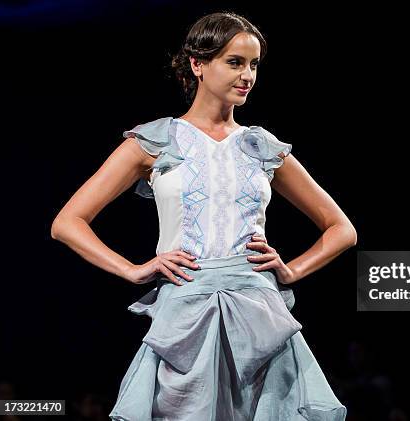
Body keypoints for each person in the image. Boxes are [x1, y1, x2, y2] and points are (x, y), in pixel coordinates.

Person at [51, 11, 356, 421]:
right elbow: (67, 222)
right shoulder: (156, 141)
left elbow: (341, 229)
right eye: (234, 62)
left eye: (253, 65)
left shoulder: (261, 146)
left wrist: (292, 270)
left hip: (258, 314)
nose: (247, 75)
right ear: (198, 64)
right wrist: (133, 270)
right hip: (186, 312)